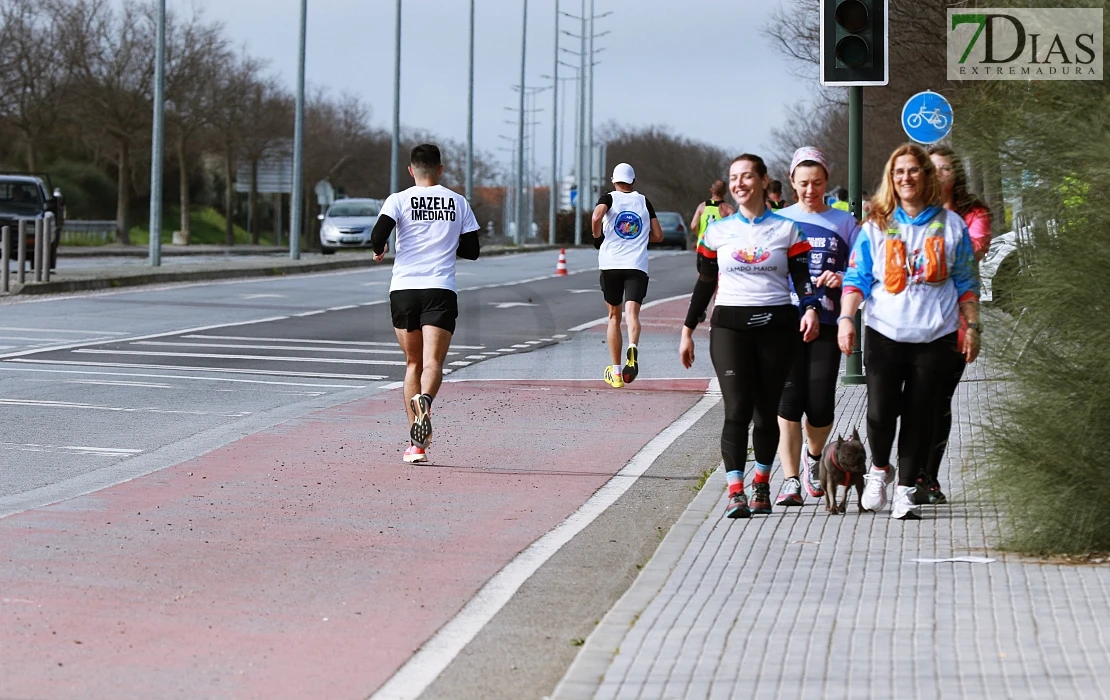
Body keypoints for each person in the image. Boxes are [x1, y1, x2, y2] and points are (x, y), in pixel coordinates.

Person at [838, 143, 980, 520]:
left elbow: (967, 281)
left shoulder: (952, 225)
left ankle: (904, 489)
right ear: (891, 178)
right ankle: (880, 470)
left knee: (921, 414)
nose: (906, 178)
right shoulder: (877, 225)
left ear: (926, 176)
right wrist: (846, 318)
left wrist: (972, 326)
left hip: (936, 335)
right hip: (885, 331)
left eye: (914, 171)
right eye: (899, 172)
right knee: (881, 411)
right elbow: (856, 278)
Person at [680, 153, 820, 518]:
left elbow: (802, 277)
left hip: (777, 326)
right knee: (737, 408)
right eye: (733, 177)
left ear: (761, 181)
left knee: (765, 412)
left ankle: (761, 483)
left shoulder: (788, 230)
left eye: (746, 176)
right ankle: (735, 491)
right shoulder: (717, 231)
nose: (739, 183)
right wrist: (688, 329)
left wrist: (810, 308)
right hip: (729, 327)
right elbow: (705, 282)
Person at [370, 144, 481, 464]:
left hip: (404, 290)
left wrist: (381, 249)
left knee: (412, 364)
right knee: (433, 363)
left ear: (411, 170)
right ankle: (426, 403)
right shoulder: (457, 202)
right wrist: (445, 243)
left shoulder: (398, 199)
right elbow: (473, 250)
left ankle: (415, 443)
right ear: (441, 169)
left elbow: (378, 237)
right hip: (440, 289)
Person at [773, 147, 860, 506]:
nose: (811, 190)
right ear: (792, 181)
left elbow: (860, 269)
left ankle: (814, 458)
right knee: (789, 404)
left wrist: (840, 276)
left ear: (826, 181)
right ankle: (790, 480)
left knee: (821, 404)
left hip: (826, 321)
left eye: (818, 183)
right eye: (804, 183)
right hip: (785, 323)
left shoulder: (844, 222)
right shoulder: (777, 220)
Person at [918, 145, 992, 504]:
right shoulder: (911, 211)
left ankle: (929, 476)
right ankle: (911, 472)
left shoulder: (973, 213)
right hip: (913, 319)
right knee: (914, 400)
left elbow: (973, 248)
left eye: (945, 168)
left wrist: (925, 258)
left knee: (939, 399)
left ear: (955, 173)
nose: (938, 175)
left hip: (957, 319)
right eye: (931, 169)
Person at [592, 162, 663, 388]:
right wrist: (640, 237)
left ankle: (616, 373)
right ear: (633, 181)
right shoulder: (644, 201)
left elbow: (596, 217)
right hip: (636, 265)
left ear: (614, 180)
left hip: (611, 264)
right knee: (632, 314)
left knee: (614, 316)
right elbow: (659, 235)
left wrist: (597, 237)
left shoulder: (609, 198)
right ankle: (633, 347)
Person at [690, 180, 735, 273]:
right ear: (725, 192)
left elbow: (693, 225)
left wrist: (699, 236)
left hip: (703, 248)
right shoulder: (729, 210)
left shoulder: (702, 206)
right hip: (720, 250)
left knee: (703, 278)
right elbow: (733, 232)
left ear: (711, 190)